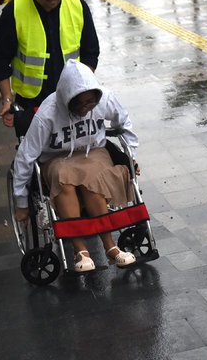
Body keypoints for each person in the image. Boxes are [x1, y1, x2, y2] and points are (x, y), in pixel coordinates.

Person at [12, 59, 138, 271]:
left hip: (93, 152)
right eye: (79, 104)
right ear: (66, 99)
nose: (85, 108)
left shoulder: (105, 99)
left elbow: (124, 124)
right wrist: (21, 202)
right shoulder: (48, 113)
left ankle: (110, 247)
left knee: (93, 178)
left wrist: (131, 156)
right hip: (56, 157)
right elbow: (26, 156)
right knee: (64, 178)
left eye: (90, 103)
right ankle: (80, 251)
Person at [0, 0, 100, 138]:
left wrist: (83, 88)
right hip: (31, 102)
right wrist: (7, 100)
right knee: (35, 156)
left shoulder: (77, 5)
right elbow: (0, 61)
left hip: (72, 99)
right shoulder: (14, 12)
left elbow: (91, 52)